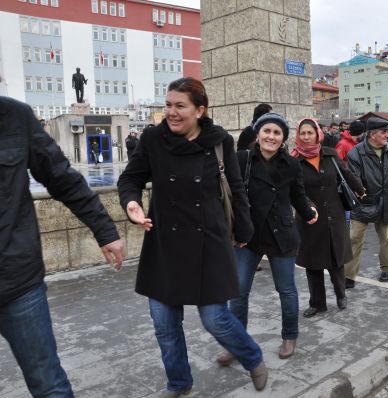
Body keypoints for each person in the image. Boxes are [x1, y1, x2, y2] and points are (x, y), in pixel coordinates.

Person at [117, 77, 268, 396]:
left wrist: (244, 228)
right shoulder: (153, 139)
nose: (171, 112)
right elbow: (130, 177)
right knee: (164, 324)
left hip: (208, 242)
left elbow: (236, 187)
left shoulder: (219, 141)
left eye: (179, 106)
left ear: (200, 110)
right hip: (164, 244)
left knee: (215, 319)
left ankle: (252, 357)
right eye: (168, 105)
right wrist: (131, 202)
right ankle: (179, 382)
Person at [0, 95, 124, 398]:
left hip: (17, 280)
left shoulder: (15, 116)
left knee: (48, 383)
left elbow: (61, 178)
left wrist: (105, 229)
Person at [229, 112, 318, 361]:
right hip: (248, 235)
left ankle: (290, 336)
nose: (271, 136)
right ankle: (236, 342)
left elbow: (298, 195)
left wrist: (308, 210)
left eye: (277, 132)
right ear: (257, 134)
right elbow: (229, 194)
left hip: (281, 234)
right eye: (267, 131)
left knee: (286, 290)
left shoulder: (291, 164)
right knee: (238, 292)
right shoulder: (242, 159)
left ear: (283, 138)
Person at [291, 118, 364, 317]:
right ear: (298, 135)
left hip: (334, 215)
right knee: (313, 263)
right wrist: (307, 206)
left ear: (317, 134)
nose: (306, 137)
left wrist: (359, 188)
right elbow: (293, 190)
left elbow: (346, 174)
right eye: (303, 133)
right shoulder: (293, 161)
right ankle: (317, 303)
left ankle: (341, 294)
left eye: (310, 133)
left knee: (336, 260)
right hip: (310, 218)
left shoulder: (330, 155)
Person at [344, 117, 388, 285]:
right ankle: (349, 276)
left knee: (387, 237)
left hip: (387, 200)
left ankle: (387, 269)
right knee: (354, 238)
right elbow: (354, 178)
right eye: (384, 132)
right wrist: (361, 191)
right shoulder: (356, 153)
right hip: (364, 202)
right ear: (372, 135)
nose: (387, 135)